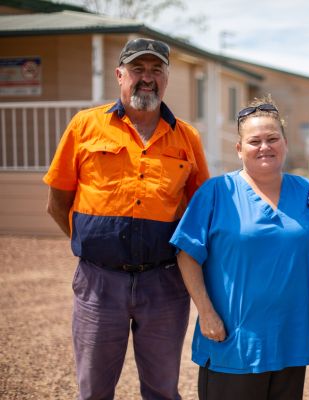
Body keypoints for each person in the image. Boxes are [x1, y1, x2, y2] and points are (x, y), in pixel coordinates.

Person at [44, 38, 210, 399]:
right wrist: (93, 245)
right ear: (120, 75)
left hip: (164, 285)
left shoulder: (187, 138)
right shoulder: (84, 126)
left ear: (166, 77)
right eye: (138, 69)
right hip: (99, 284)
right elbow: (58, 202)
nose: (146, 78)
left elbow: (198, 212)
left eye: (155, 70)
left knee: (163, 390)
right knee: (94, 390)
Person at [169, 96, 309, 400]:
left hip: (289, 339)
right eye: (254, 141)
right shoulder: (216, 192)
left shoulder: (306, 192)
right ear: (239, 149)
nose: (265, 147)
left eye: (272, 138)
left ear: (285, 143)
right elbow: (187, 255)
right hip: (233, 343)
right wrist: (206, 313)